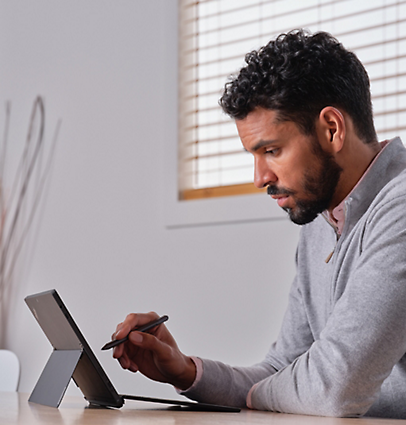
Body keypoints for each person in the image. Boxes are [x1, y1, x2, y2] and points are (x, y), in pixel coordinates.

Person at [112, 29, 406, 418]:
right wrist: (184, 372)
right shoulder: (319, 225)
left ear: (332, 129)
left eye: (271, 150)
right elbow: (282, 373)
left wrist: (254, 396)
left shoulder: (399, 209)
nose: (259, 177)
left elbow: (332, 388)